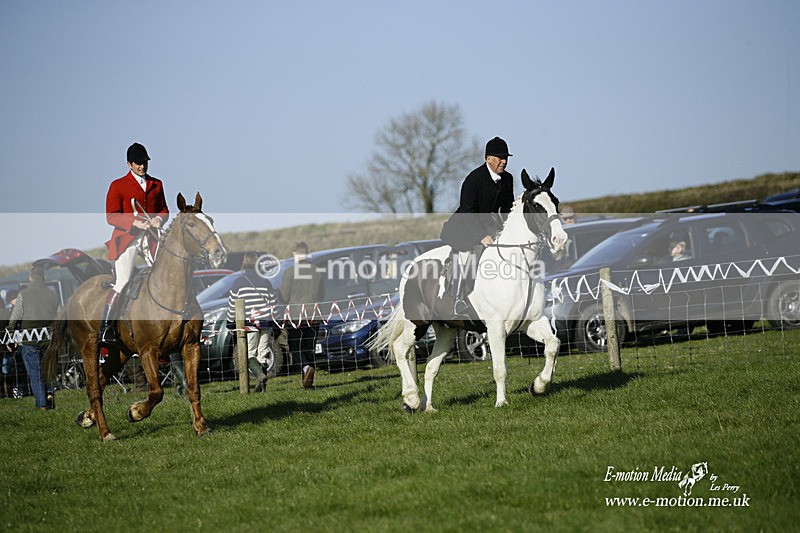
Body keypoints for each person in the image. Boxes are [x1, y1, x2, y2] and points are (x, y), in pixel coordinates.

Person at [99, 142, 169, 346]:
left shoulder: (157, 184)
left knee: (163, 275)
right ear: (129, 164)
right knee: (123, 280)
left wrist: (159, 220)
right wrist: (133, 221)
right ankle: (106, 328)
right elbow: (111, 216)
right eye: (138, 163)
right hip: (127, 238)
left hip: (150, 237)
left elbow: (164, 209)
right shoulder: (117, 185)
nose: (142, 166)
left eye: (145, 162)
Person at [440, 136, 515, 316]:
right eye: (499, 157)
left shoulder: (508, 179)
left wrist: (506, 228)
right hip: (463, 226)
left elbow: (506, 208)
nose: (503, 161)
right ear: (488, 158)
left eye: (506, 157)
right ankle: (457, 299)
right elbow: (468, 211)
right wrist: (481, 236)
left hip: (486, 224)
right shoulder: (473, 179)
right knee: (467, 255)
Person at [6, 267, 60, 410]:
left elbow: (15, 317)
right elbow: (59, 314)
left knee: (35, 372)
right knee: (48, 368)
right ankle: (49, 392)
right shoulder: (52, 294)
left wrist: (10, 333)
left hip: (30, 339)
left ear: (30, 278)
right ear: (44, 278)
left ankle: (42, 404)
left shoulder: (23, 294)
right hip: (48, 337)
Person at [226, 252, 277, 392]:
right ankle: (262, 388)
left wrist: (230, 324)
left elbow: (232, 306)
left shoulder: (238, 283)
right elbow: (274, 303)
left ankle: (260, 376)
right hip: (265, 323)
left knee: (249, 354)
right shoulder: (266, 281)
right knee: (263, 353)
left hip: (250, 324)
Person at [280, 241, 324, 389]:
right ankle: (309, 383)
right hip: (314, 314)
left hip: (295, 316)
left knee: (295, 347)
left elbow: (284, 296)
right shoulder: (316, 271)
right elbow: (321, 294)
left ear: (294, 253)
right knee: (309, 347)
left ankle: (306, 368)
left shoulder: (289, 272)